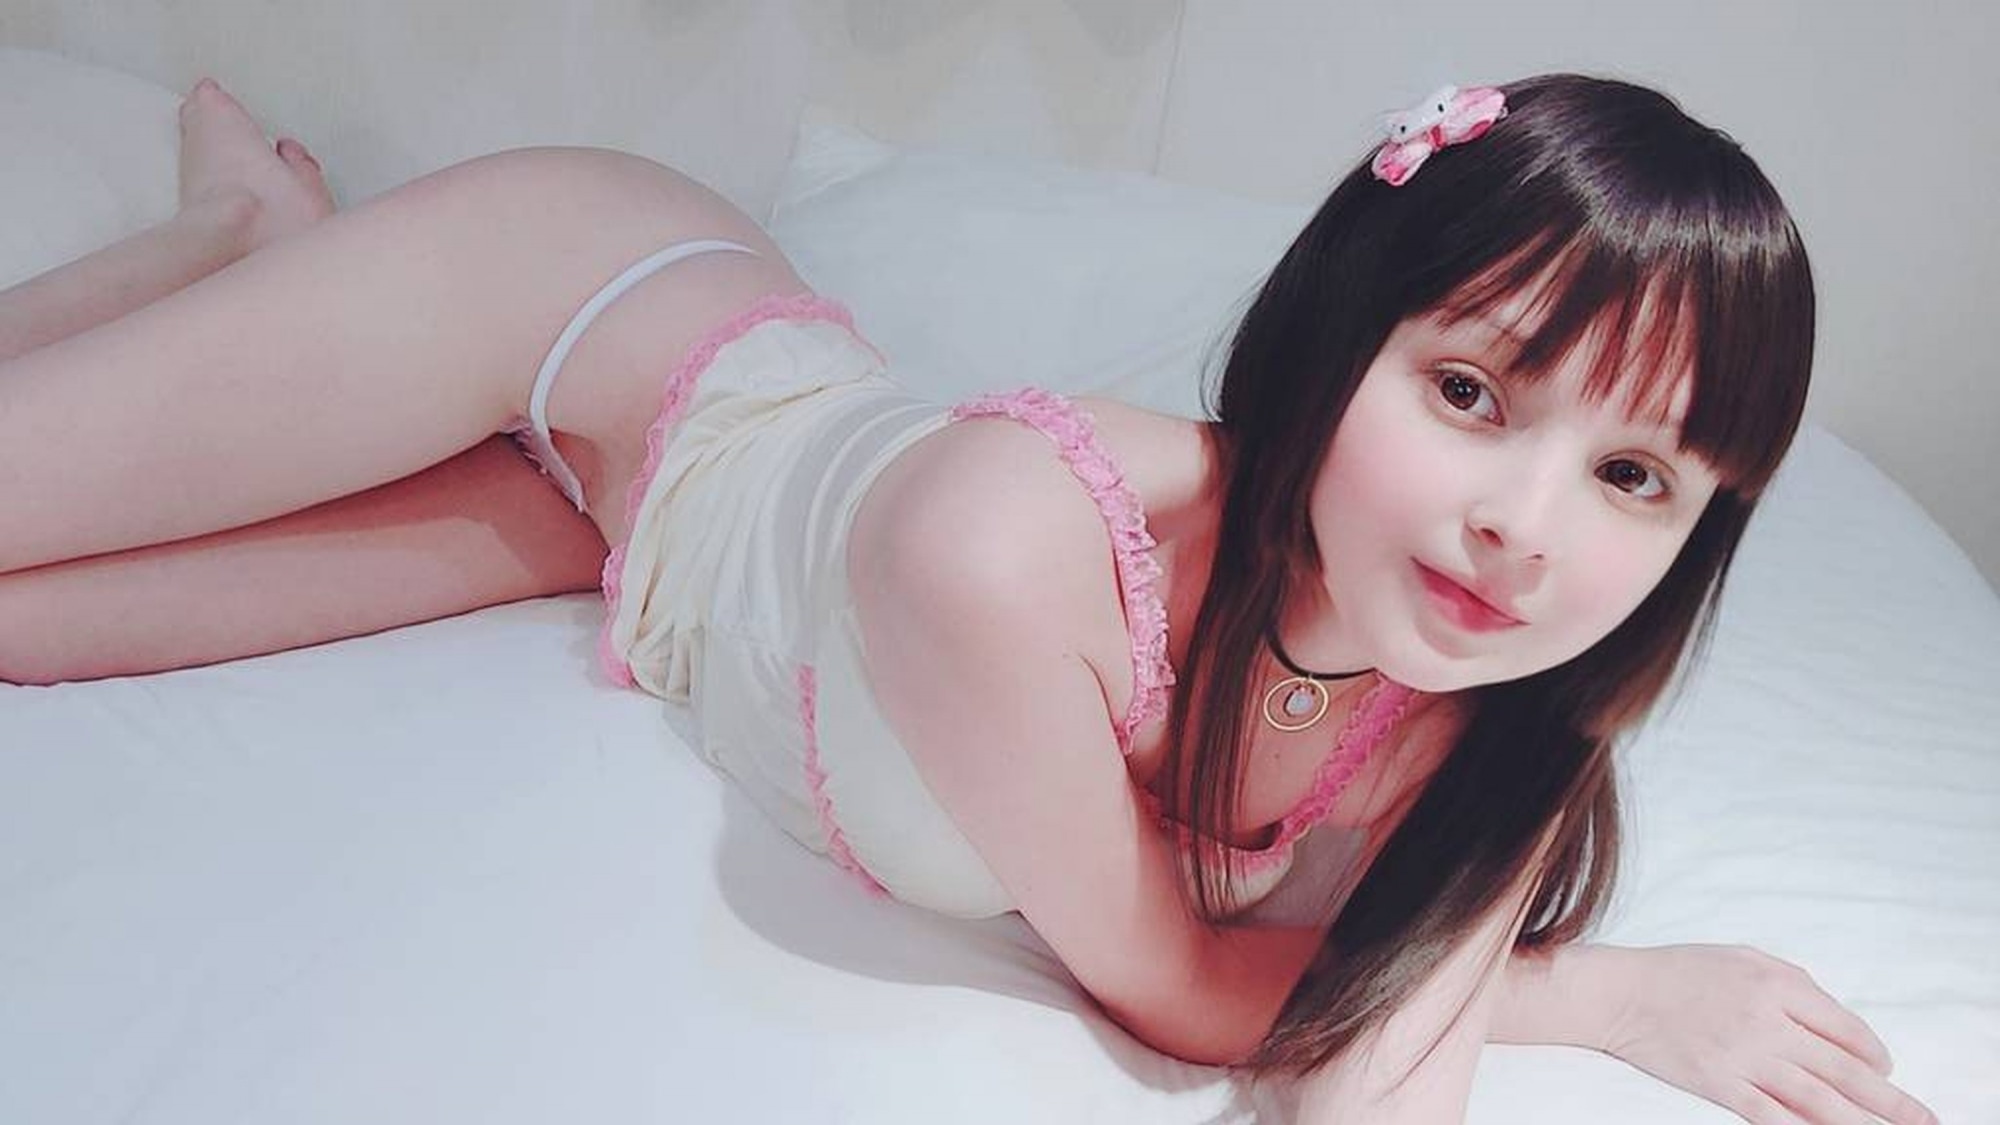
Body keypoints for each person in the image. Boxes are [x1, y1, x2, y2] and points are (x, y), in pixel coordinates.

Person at [0, 73, 1937, 1124]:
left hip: (603, 534)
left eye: (1633, 476)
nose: (1525, 527)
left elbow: (1368, 1076)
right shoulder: (1006, 541)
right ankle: (236, 235)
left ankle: (262, 255)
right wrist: (1600, 991)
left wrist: (1551, 977)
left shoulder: (1494, 710)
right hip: (594, 314)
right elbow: (1184, 991)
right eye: (1470, 392)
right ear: (1342, 333)